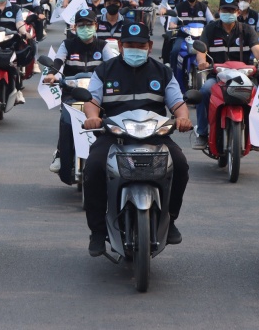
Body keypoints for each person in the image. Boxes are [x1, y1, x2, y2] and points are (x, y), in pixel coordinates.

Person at [82, 21, 192, 256]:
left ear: (149, 46)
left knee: (180, 165)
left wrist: (183, 118)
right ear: (120, 46)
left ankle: (170, 220)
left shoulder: (163, 72)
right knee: (92, 168)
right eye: (130, 44)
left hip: (156, 135)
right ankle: (98, 231)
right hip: (114, 136)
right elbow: (91, 102)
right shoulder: (104, 71)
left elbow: (178, 103)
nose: (135, 49)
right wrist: (92, 117)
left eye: (140, 45)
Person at [44, 9, 116, 181]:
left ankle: (112, 152)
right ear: (75, 27)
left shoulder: (103, 46)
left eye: (89, 24)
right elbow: (58, 61)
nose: (85, 28)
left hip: (97, 95)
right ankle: (61, 153)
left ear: (95, 26)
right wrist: (52, 74)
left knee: (108, 121)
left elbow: (113, 65)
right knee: (66, 121)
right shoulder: (67, 44)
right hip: (72, 93)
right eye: (81, 25)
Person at [192, 0, 259, 150]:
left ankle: (256, 137)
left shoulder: (247, 30)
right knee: (204, 92)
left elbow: (257, 49)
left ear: (238, 12)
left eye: (231, 10)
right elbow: (201, 49)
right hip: (217, 77)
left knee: (258, 96)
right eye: (225, 10)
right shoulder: (210, 29)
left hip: (244, 78)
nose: (228, 13)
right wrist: (202, 61)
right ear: (219, 11)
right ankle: (202, 133)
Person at [167, 0, 213, 79]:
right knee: (175, 51)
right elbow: (172, 22)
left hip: (201, 38)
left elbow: (211, 21)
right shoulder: (179, 7)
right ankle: (172, 75)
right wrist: (173, 25)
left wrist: (211, 26)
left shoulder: (204, 7)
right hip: (183, 37)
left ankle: (212, 74)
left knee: (212, 52)